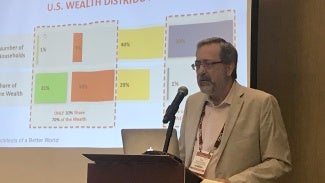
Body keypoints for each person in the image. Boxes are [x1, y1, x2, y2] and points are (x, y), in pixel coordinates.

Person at [179, 37, 292, 183]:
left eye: (208, 64)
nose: (201, 71)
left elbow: (278, 162)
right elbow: (182, 156)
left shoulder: (261, 103)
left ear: (229, 68)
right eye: (198, 64)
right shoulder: (192, 102)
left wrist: (232, 182)